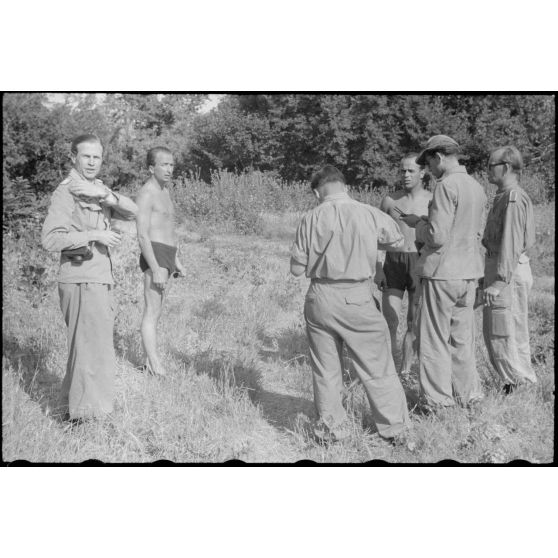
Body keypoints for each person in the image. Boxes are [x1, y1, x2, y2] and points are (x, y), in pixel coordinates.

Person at [290, 165, 410, 442]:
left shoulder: (310, 217)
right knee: (377, 365)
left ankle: (333, 430)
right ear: (345, 186)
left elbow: (297, 269)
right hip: (357, 295)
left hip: (320, 296)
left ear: (316, 191)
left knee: (326, 369)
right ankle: (394, 430)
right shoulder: (368, 212)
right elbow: (397, 241)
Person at [42, 134, 138, 421]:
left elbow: (132, 211)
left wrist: (107, 196)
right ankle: (85, 420)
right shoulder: (67, 191)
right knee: (87, 350)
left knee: (95, 348)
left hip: (98, 277)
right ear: (73, 157)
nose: (92, 162)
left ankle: (73, 412)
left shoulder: (96, 187)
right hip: (80, 277)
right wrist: (95, 235)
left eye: (97, 157)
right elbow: (50, 239)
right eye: (86, 156)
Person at [400, 135, 486, 409]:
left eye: (429, 163)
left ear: (438, 157)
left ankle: (439, 403)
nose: (430, 170)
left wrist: (419, 226)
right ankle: (469, 396)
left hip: (442, 273)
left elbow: (437, 236)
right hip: (468, 273)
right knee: (462, 340)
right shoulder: (476, 187)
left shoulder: (446, 186)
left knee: (434, 340)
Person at [482, 146, 537, 393]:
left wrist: (499, 280)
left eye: (490, 165)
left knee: (507, 331)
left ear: (505, 167)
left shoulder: (513, 198)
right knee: (501, 331)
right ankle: (514, 384)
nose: (487, 171)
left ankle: (520, 386)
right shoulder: (503, 196)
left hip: (508, 272)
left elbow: (511, 244)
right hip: (502, 268)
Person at [378, 153, 432, 376]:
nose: (406, 175)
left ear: (423, 172)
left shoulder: (432, 199)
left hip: (418, 262)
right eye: (403, 170)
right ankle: (387, 367)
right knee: (389, 318)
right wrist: (377, 267)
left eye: (411, 170)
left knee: (413, 321)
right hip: (393, 262)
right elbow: (376, 235)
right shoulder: (390, 200)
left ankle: (405, 371)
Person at [136, 147, 185, 377]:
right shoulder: (147, 193)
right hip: (154, 254)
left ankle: (148, 362)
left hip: (167, 253)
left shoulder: (165, 191)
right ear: (151, 168)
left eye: (171, 165)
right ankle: (155, 365)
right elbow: (143, 234)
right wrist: (155, 267)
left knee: (158, 311)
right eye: (164, 164)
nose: (169, 169)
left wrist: (177, 260)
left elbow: (168, 229)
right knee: (152, 310)